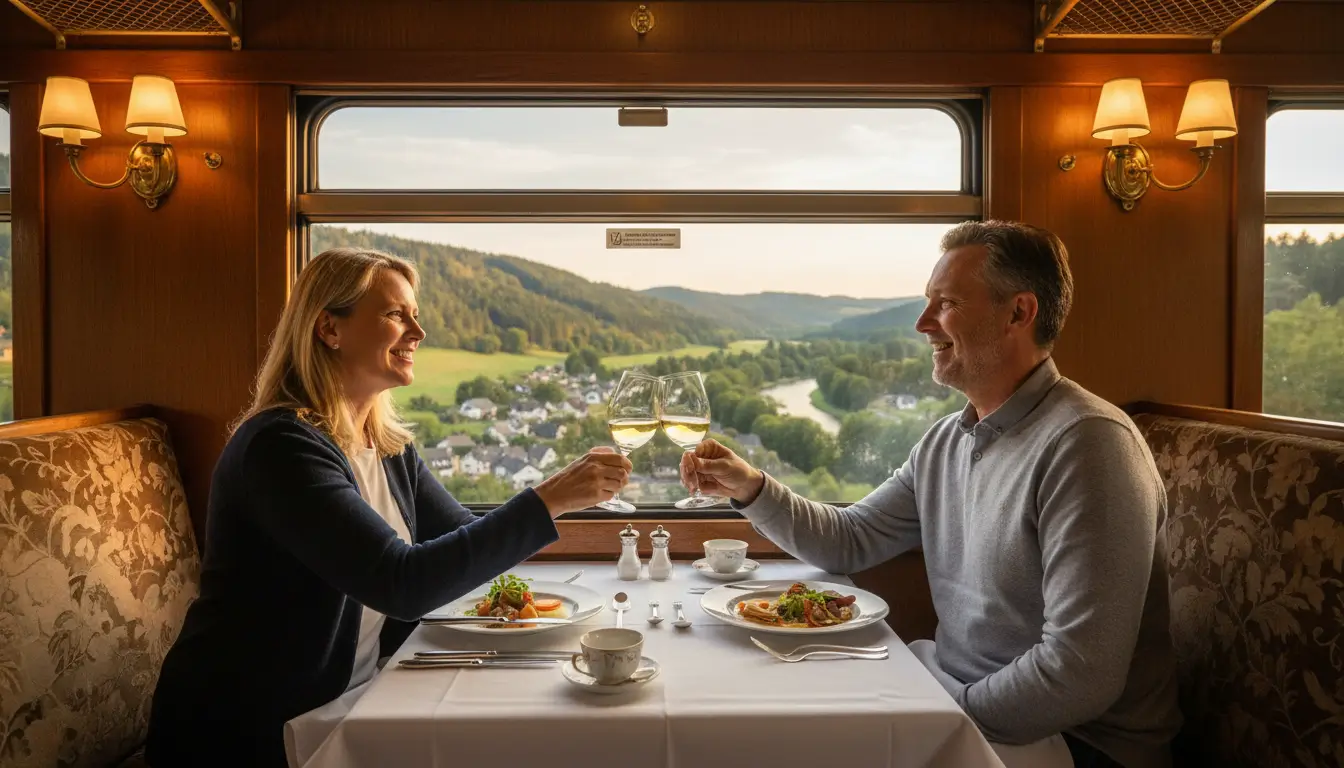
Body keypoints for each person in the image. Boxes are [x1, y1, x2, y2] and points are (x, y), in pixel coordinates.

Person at [682, 221, 1181, 768]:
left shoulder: (1089, 446)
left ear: (1019, 312)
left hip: (1075, 742)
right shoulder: (947, 440)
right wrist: (750, 486)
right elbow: (850, 539)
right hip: (961, 698)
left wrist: (945, 715)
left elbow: (1078, 674)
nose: (923, 324)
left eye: (945, 304)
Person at [146, 248, 630, 767]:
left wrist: (555, 502)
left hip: (358, 695)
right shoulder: (281, 448)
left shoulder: (387, 445)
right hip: (254, 729)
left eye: (415, 314)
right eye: (397, 314)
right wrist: (550, 497)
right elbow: (402, 583)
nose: (418, 332)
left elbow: (466, 541)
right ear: (329, 329)